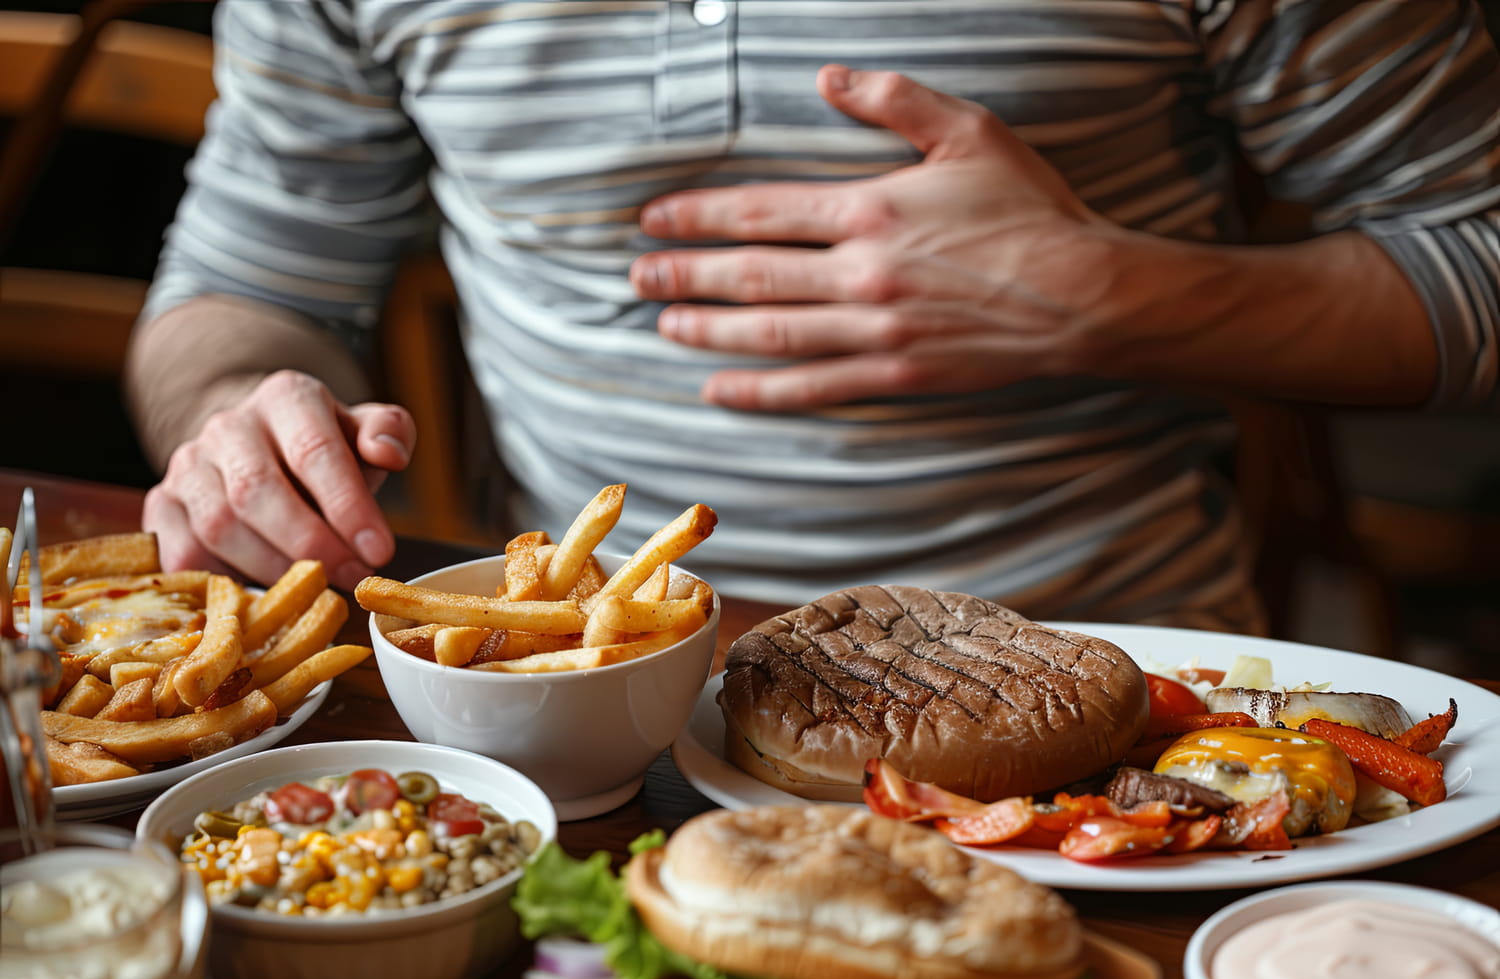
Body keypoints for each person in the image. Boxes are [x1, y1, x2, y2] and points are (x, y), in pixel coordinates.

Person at [125, 0, 1499, 633]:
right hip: (581, 725)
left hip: (1107, 702)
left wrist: (1105, 296)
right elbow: (252, 284)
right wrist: (235, 414)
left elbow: (1477, 243)